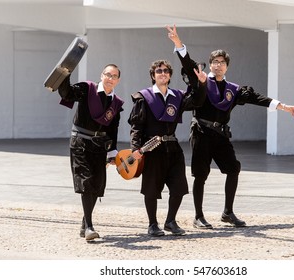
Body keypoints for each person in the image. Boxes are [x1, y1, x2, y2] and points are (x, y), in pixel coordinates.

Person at [167, 25, 294, 229]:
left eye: (222, 62)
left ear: (227, 66)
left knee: (233, 168)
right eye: (214, 62)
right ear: (210, 65)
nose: (218, 65)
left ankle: (227, 212)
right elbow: (188, 64)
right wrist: (178, 43)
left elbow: (256, 98)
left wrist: (282, 106)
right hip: (202, 132)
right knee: (201, 174)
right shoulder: (201, 81)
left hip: (221, 134)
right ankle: (199, 216)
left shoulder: (234, 90)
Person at [128, 55, 207, 237]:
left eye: (166, 71)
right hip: (151, 149)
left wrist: (202, 84)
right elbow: (136, 126)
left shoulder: (177, 96)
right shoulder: (143, 98)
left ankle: (170, 221)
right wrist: (135, 149)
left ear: (170, 75)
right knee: (151, 188)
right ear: (153, 75)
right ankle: (152, 224)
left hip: (173, 148)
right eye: (159, 71)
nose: (162, 73)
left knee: (179, 187)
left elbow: (197, 101)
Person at [57, 64, 124, 241]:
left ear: (118, 80)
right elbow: (67, 94)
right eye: (107, 74)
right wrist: (65, 74)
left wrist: (112, 152)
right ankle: (89, 226)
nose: (110, 78)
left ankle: (84, 224)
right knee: (86, 182)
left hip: (100, 146)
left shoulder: (116, 103)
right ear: (102, 75)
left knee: (97, 184)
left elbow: (113, 129)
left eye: (114, 76)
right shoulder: (87, 89)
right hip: (80, 142)